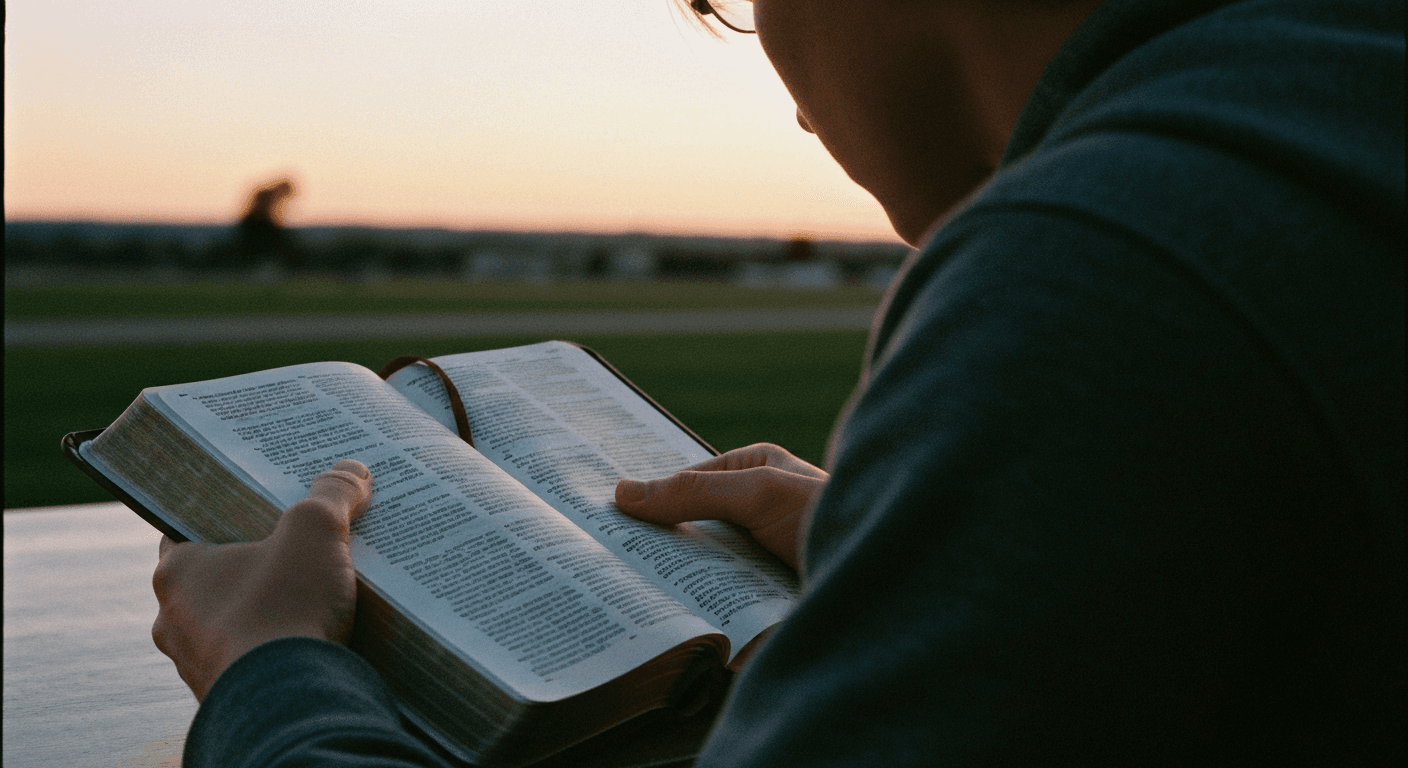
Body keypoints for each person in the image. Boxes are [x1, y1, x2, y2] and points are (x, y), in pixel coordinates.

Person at [154, 0, 1405, 765]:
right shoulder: (1330, 104)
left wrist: (272, 677)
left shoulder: (1109, 248)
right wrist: (939, 553)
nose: (798, 109)